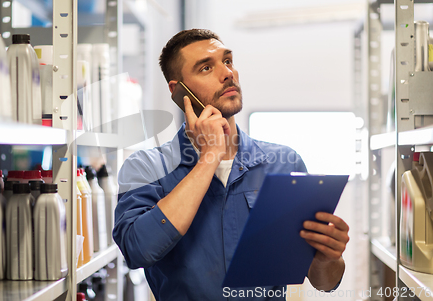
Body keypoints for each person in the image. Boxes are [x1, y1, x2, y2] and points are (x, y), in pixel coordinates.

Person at [113, 29, 350, 300]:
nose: (228, 73)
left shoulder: (283, 163)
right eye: (205, 67)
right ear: (178, 91)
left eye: (228, 61)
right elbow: (136, 250)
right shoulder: (146, 167)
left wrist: (327, 257)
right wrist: (209, 158)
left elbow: (323, 282)